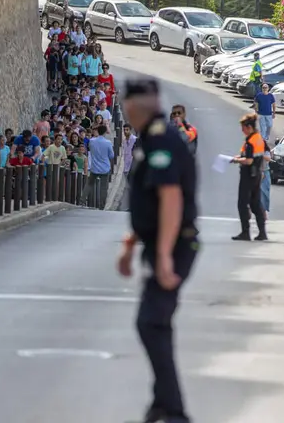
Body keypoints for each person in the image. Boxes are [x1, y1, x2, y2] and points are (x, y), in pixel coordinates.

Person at [116, 78, 199, 423]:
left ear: (133, 107)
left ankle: (173, 410)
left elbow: (170, 198)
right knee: (156, 323)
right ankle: (162, 404)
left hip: (176, 245)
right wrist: (131, 244)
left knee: (151, 323)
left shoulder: (161, 139)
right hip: (163, 243)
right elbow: (148, 202)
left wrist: (163, 253)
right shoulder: (150, 138)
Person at [230, 113, 267, 241]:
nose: (242, 130)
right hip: (257, 175)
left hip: (248, 175)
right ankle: (262, 233)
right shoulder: (259, 138)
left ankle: (245, 232)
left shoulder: (250, 141)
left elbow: (249, 160)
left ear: (249, 127)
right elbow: (265, 155)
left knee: (242, 204)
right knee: (255, 204)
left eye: (243, 128)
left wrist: (236, 160)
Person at [80, 125, 114, 208]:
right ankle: (102, 205)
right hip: (105, 168)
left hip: (94, 167)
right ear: (105, 132)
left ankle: (82, 200)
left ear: (98, 131)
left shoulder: (92, 141)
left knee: (89, 184)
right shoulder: (108, 142)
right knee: (103, 188)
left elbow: (90, 150)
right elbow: (111, 155)